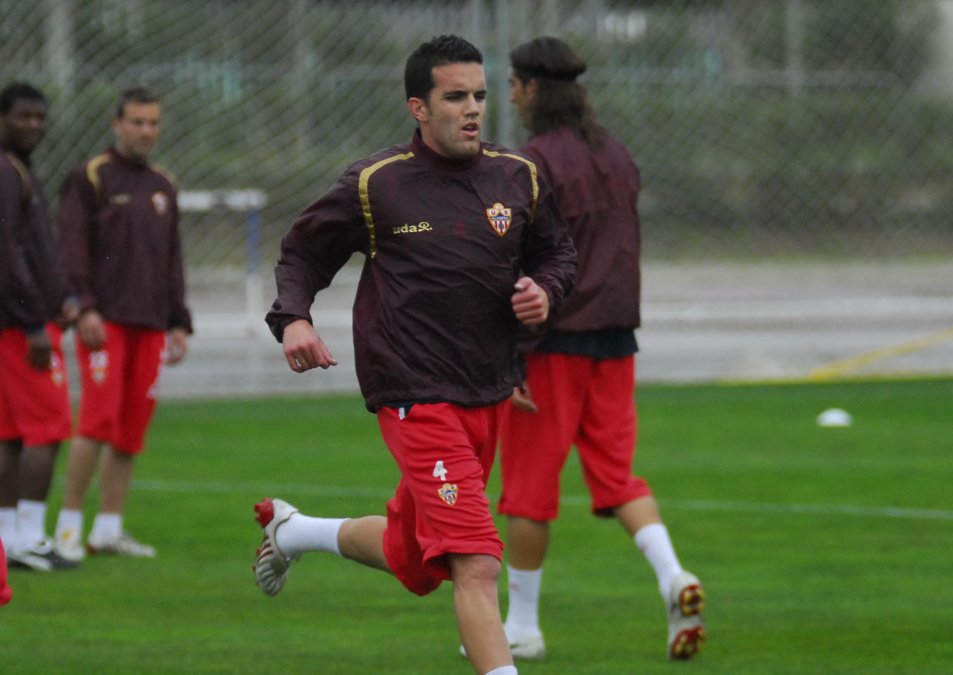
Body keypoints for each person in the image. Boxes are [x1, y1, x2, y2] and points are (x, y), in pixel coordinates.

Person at [253, 35, 576, 675]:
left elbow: (556, 253)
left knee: (413, 556)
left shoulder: (519, 175)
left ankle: (295, 531)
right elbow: (304, 251)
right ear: (418, 108)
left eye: (479, 95)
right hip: (412, 395)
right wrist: (293, 319)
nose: (473, 109)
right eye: (454, 97)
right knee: (476, 560)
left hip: (489, 390)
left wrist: (545, 291)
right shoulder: (378, 184)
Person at [497, 37, 705, 661]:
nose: (507, 93)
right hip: (616, 345)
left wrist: (513, 353)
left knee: (528, 489)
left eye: (511, 83)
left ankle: (523, 629)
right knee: (617, 478)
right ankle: (673, 576)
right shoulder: (615, 154)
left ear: (533, 89)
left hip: (552, 345)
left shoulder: (531, 163)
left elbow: (522, 264)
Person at [52, 87, 192, 562]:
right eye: (136, 122)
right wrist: (85, 307)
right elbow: (71, 250)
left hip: (150, 325)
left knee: (131, 431)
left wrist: (178, 321)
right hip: (105, 322)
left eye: (153, 122)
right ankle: (67, 530)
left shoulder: (163, 184)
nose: (146, 131)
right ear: (117, 124)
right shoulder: (90, 177)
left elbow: (172, 258)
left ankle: (108, 529)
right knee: (95, 422)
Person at [0, 82, 78, 572]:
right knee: (47, 430)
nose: (34, 125)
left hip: (17, 321)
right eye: (23, 116)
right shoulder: (7, 172)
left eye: (40, 117)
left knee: (8, 435)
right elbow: (7, 253)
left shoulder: (17, 170)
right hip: (19, 328)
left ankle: (7, 539)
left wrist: (60, 297)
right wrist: (34, 319)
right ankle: (30, 536)